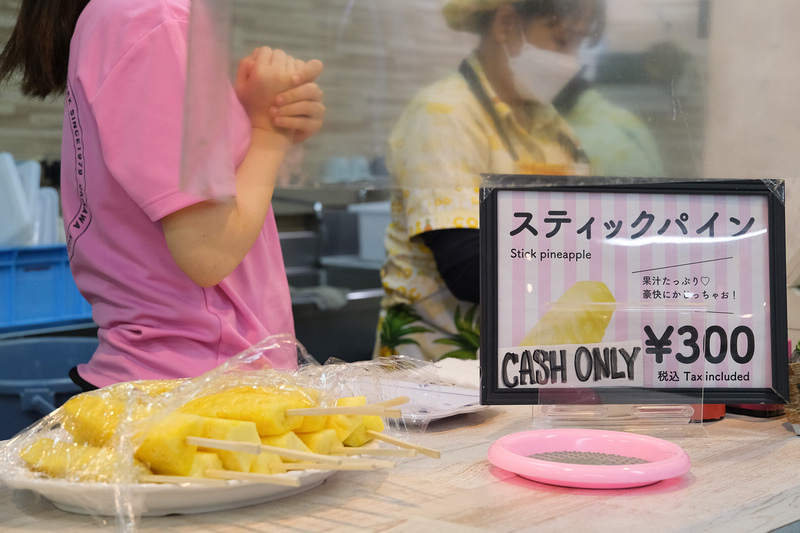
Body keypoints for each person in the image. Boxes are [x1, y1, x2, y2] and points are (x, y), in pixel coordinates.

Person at [0, 0, 325, 389]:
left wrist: (255, 120)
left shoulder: (125, 18)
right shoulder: (151, 19)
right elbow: (208, 250)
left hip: (171, 384)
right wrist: (269, 137)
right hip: (200, 388)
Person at [375, 0, 603, 362]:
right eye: (562, 40)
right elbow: (466, 268)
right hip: (435, 372)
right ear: (507, 23)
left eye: (578, 44)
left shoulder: (555, 129)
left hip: (523, 363)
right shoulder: (444, 114)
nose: (571, 60)